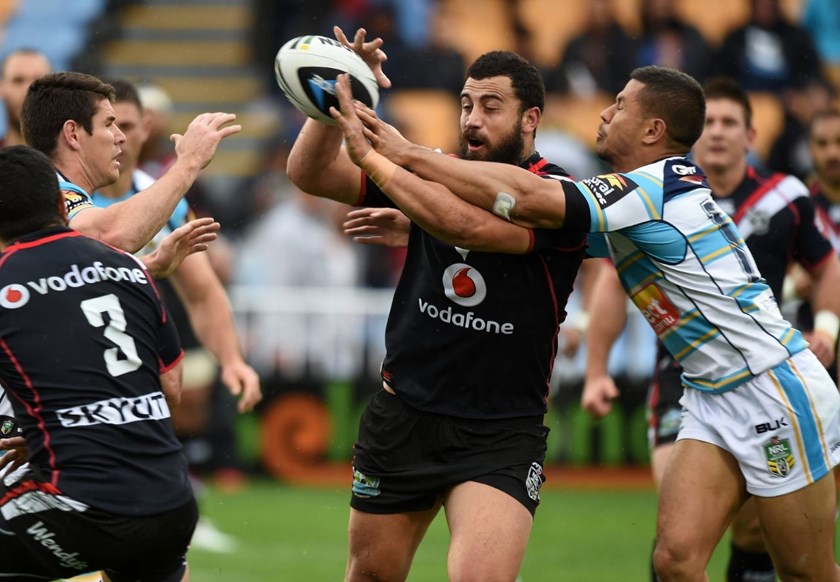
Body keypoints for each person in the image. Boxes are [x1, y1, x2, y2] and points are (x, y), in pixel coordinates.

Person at [334, 65, 840, 580]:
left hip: (771, 387)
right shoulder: (631, 200)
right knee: (675, 562)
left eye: (620, 105)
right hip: (710, 392)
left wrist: (404, 155)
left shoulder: (658, 187)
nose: (604, 113)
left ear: (652, 130)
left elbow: (528, 198)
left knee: (806, 572)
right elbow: (505, 233)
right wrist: (420, 224)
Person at [286, 27, 587, 581]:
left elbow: (461, 224)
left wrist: (384, 163)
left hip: (501, 429)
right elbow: (310, 173)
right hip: (406, 413)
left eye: (490, 107)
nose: (472, 119)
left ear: (530, 119)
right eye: (466, 105)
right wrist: (338, 92)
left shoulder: (557, 197)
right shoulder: (433, 168)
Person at [580, 77, 840, 581]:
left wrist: (826, 327)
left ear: (751, 135)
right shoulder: (644, 193)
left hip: (766, 376)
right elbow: (608, 277)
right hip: (687, 374)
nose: (718, 132)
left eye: (729, 122)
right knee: (675, 557)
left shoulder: (783, 196)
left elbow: (827, 265)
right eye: (711, 122)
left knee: (786, 556)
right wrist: (595, 369)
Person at [0, 145, 196, 581]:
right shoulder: (130, 268)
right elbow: (169, 390)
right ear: (61, 204)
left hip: (82, 511)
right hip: (172, 506)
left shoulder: (5, 280)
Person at [20, 71, 239, 277]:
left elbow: (76, 268)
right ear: (73, 134)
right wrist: (190, 161)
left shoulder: (48, 189)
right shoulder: (45, 193)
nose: (120, 137)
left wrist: (147, 265)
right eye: (109, 124)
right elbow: (108, 235)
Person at [0, 47, 51, 147]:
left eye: (39, 81)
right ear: (2, 88)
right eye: (18, 80)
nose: (28, 90)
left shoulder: (73, 155)